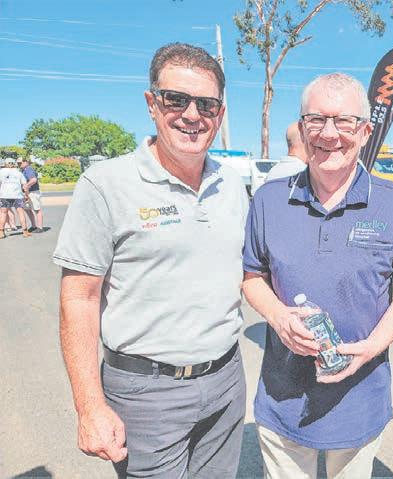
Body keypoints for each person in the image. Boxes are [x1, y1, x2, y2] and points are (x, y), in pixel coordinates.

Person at [53, 42, 249, 478]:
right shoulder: (106, 184)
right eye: (176, 99)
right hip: (146, 392)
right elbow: (79, 298)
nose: (192, 115)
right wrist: (89, 406)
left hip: (226, 379)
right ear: (151, 103)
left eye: (206, 104)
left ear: (220, 113)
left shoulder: (232, 185)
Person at [243, 72, 393, 478]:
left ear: (365, 131)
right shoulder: (269, 200)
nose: (329, 134)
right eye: (316, 120)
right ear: (301, 127)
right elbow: (252, 277)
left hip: (360, 402)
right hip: (282, 400)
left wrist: (373, 345)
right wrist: (278, 317)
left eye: (344, 121)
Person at [0, 160, 31, 238]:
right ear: (14, 164)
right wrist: (26, 195)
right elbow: (25, 185)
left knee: (3, 213)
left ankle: (1, 232)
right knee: (20, 212)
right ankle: (25, 232)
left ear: (5, 164)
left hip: (5, 195)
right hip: (17, 195)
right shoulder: (18, 172)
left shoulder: (1, 172)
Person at [20, 158, 44, 233]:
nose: (19, 164)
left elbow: (33, 180)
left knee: (37, 209)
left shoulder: (28, 169)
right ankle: (34, 226)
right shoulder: (24, 170)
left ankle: (40, 227)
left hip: (33, 192)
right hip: (28, 192)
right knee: (27, 209)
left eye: (20, 162)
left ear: (26, 162)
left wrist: (26, 185)